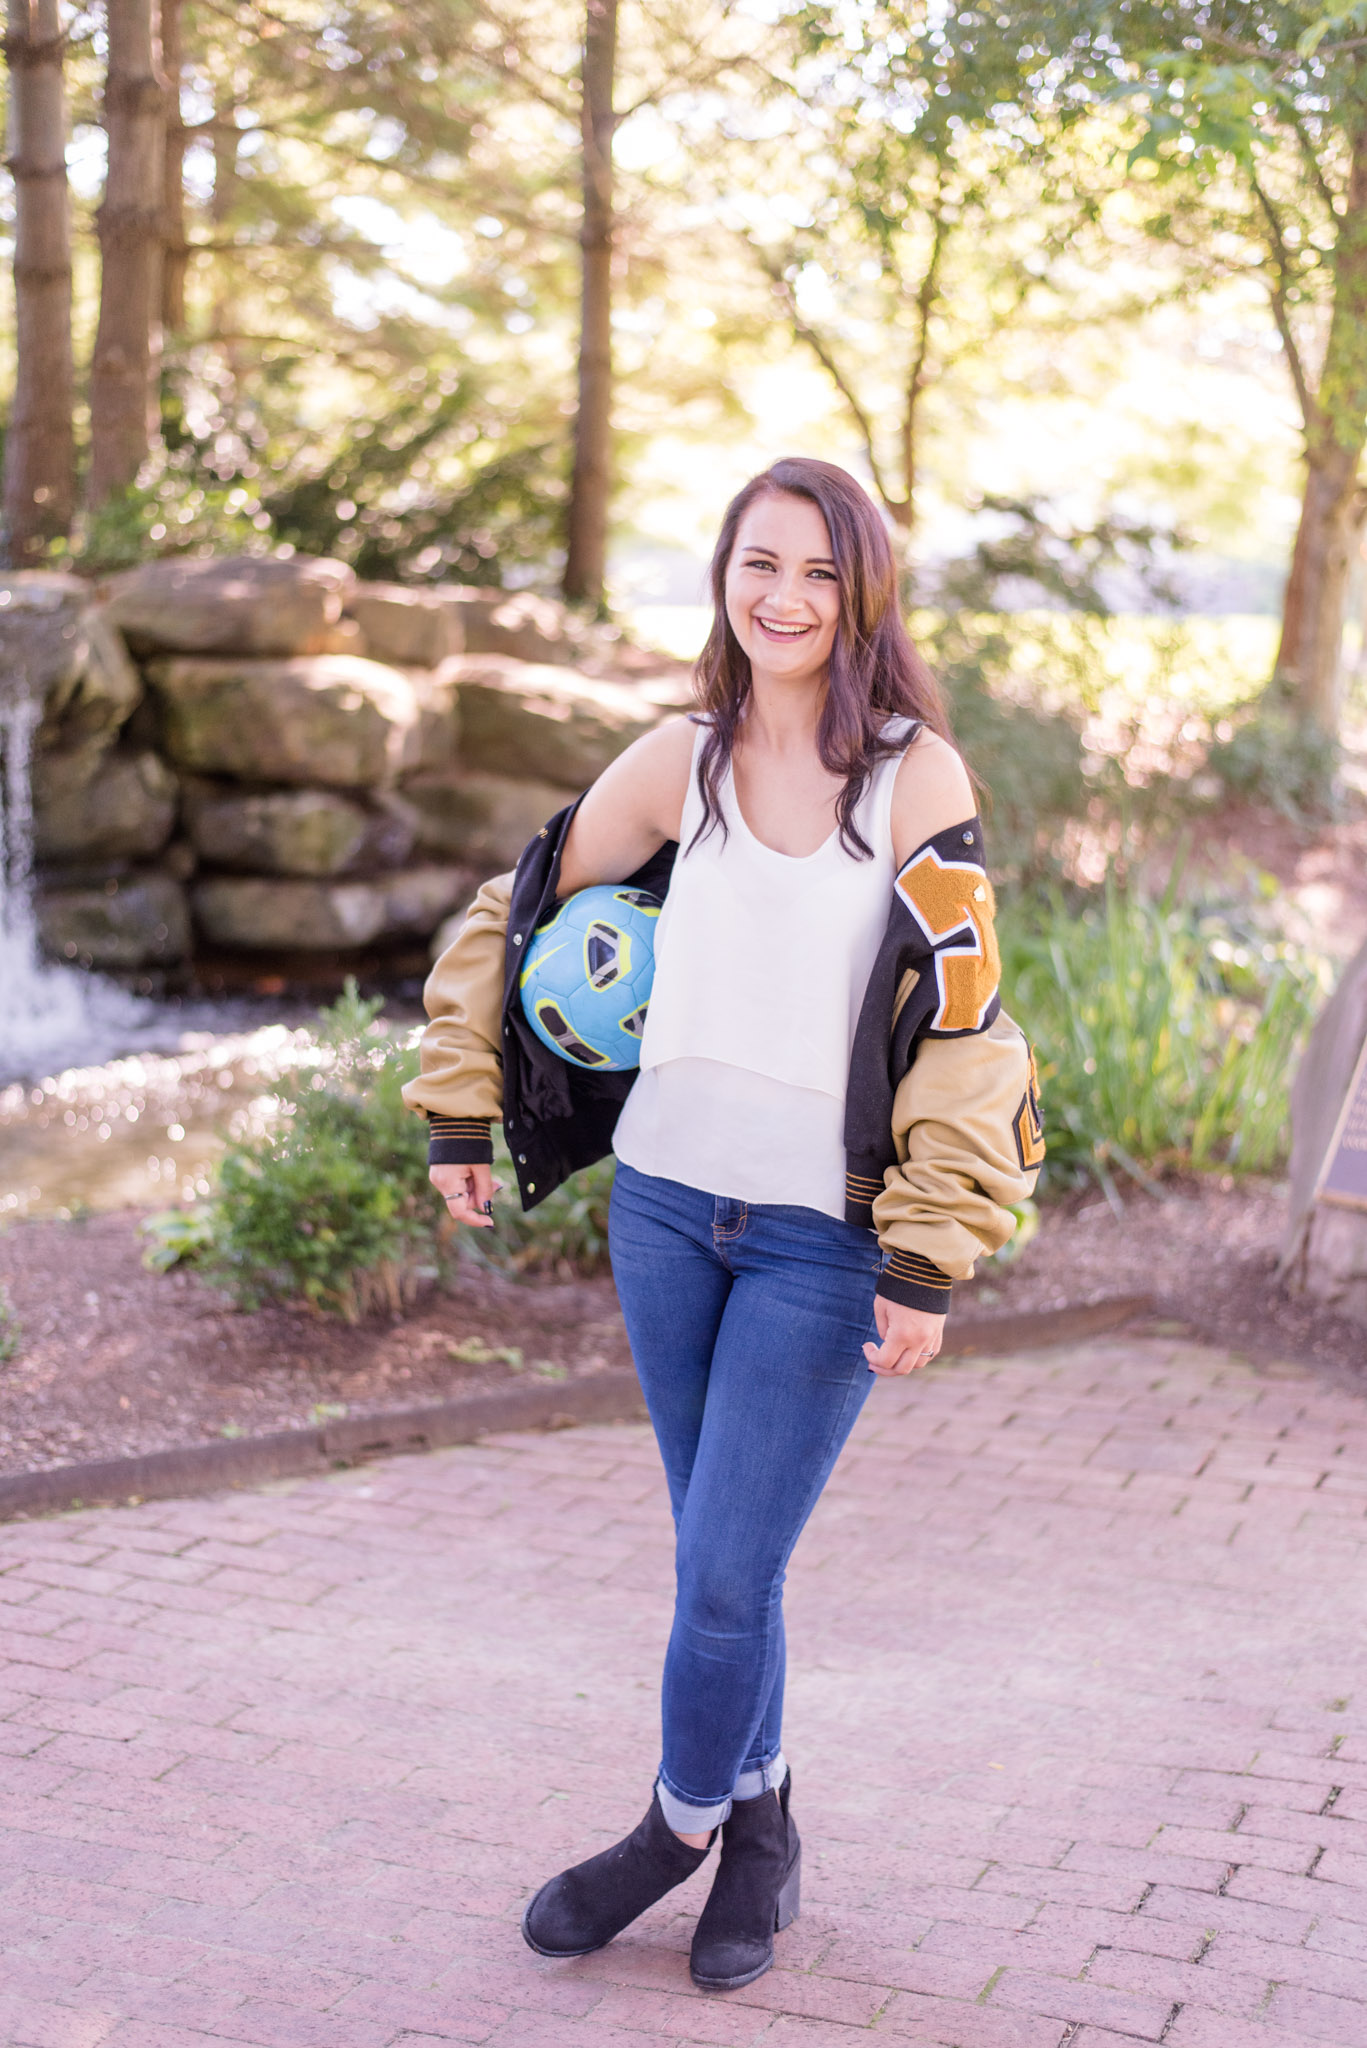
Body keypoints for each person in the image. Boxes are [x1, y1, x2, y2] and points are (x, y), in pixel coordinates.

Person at [403, 457, 1044, 1992]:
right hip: (670, 1210)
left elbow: (966, 1030)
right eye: (761, 565)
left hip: (824, 1236)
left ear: (863, 592)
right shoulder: (673, 761)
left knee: (723, 1573)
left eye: (821, 573)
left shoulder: (916, 779)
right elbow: (526, 903)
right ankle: (763, 1834)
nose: (785, 598)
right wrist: (456, 1106)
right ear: (724, 579)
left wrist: (929, 1256)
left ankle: (673, 1833)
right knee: (719, 1561)